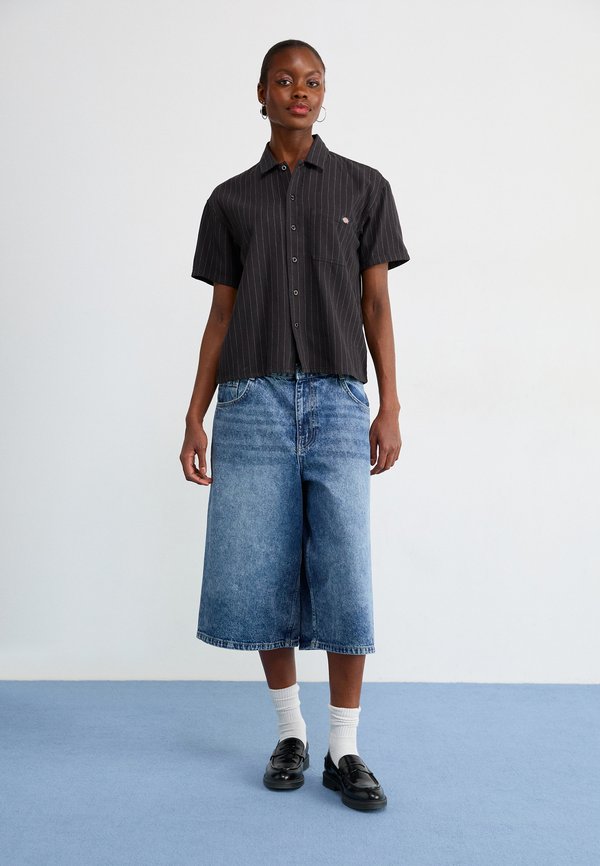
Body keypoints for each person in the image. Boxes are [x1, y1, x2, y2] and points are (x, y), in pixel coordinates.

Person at [180, 39, 410, 812]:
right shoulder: (230, 200)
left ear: (323, 93)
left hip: (340, 401)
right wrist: (194, 414)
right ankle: (291, 733)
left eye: (312, 80)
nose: (299, 91)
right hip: (251, 404)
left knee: (345, 568)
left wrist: (390, 404)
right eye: (285, 80)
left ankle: (345, 748)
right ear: (262, 93)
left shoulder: (364, 187)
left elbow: (376, 304)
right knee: (260, 569)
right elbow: (221, 316)